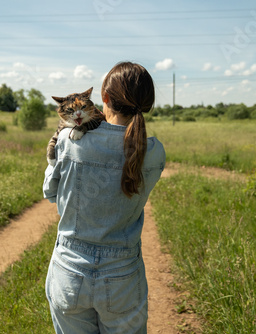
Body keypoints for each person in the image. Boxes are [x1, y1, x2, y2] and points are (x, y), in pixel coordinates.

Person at [43, 61, 166, 333]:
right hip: (122, 275)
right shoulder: (154, 152)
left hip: (69, 270)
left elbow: (49, 193)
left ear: (105, 99)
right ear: (146, 104)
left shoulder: (68, 139)